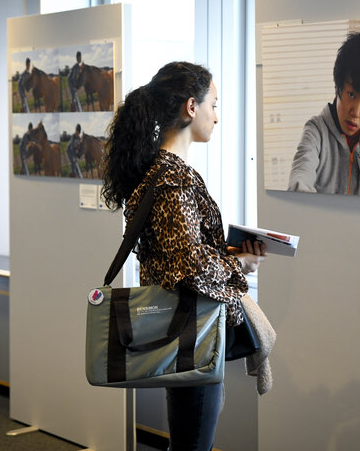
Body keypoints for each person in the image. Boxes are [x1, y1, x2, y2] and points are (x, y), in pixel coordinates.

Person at [101, 62, 265, 451]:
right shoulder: (174, 179)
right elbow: (189, 268)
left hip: (180, 330)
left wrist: (222, 253)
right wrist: (240, 263)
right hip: (192, 331)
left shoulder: (158, 173)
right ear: (192, 107)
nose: (217, 116)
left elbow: (179, 254)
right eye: (214, 104)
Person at [288, 27, 360, 197]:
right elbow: (299, 181)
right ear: (339, 87)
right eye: (351, 94)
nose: (356, 112)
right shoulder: (316, 131)